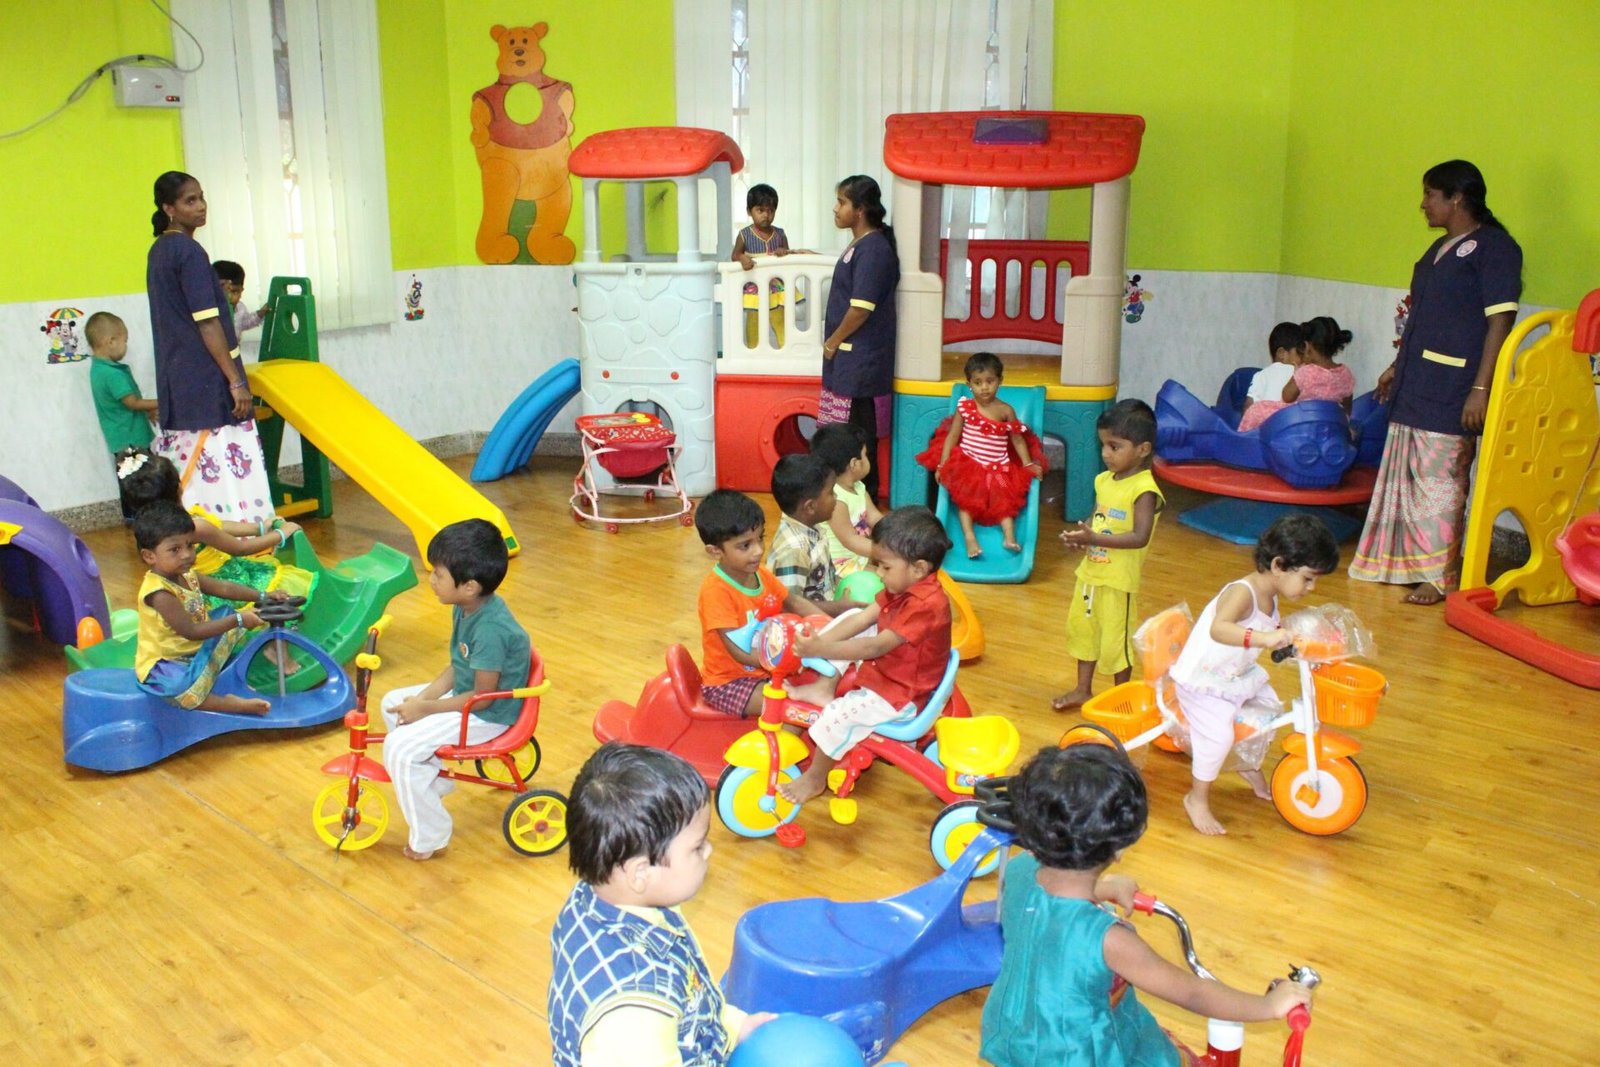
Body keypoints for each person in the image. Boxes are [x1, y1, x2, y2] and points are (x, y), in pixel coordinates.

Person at [979, 743, 1314, 1066]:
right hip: (1076, 1054)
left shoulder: (1020, 870)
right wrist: (1268, 1006)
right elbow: (1192, 994)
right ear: (1119, 848)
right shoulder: (1110, 940)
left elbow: (1052, 911)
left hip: (1016, 1031)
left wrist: (1103, 888)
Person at [1350, 160, 1523, 606]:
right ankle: (1401, 561)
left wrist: (1481, 389)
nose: (1423, 204)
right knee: (1409, 478)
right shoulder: (1438, 251)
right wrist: (1395, 366)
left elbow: (1500, 321)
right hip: (1417, 382)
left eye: (1430, 194)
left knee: (1441, 480)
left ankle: (1440, 573)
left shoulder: (1495, 248)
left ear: (1457, 198)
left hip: (1455, 387)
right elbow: (1423, 320)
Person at [548, 743, 774, 1066]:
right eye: (697, 847)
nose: (709, 851)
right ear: (641, 872)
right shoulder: (633, 1016)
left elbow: (694, 996)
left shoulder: (604, 897)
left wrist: (735, 1026)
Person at [1169, 513, 1340, 835]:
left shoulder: (1270, 593)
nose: (1311, 587)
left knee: (1270, 711)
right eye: (1307, 578)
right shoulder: (1242, 592)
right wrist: (1262, 639)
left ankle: (1247, 765)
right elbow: (1220, 629)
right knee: (1218, 736)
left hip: (1234, 674)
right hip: (1205, 681)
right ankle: (1197, 798)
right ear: (1278, 565)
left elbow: (1266, 629)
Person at [777, 506, 953, 806]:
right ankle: (823, 686)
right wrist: (817, 642)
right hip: (898, 670)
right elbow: (864, 618)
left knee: (838, 715)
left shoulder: (926, 604)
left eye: (884, 567)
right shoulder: (904, 586)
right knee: (857, 616)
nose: (878, 574)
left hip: (902, 695)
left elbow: (874, 648)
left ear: (919, 568)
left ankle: (815, 778)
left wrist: (820, 649)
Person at [378, 519, 530, 861]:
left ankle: (431, 835)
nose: (431, 580)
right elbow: (457, 667)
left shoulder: (489, 629)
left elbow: (479, 699)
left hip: (488, 713)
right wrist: (423, 700)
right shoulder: (468, 608)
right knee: (393, 703)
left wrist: (426, 709)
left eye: (439, 574)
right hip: (470, 694)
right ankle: (433, 778)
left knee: (398, 748)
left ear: (470, 586)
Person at [146, 171, 275, 524]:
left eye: (202, 197)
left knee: (191, 472)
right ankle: (244, 541)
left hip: (180, 380)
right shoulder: (188, 252)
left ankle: (196, 541)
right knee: (223, 465)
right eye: (190, 200)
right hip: (206, 380)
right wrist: (234, 381)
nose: (201, 206)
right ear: (168, 208)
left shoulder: (159, 250)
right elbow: (207, 322)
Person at [1054, 399, 1164, 711]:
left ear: (1142, 449)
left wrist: (1096, 537)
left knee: (1117, 642)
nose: (1105, 454)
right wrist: (1082, 538)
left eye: (1115, 447)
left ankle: (1122, 700)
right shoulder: (1104, 480)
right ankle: (1082, 690)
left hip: (1119, 582)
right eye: (1103, 445)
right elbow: (1096, 518)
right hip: (1090, 575)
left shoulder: (1144, 489)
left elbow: (1139, 537)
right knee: (1084, 632)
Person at [132, 499, 289, 715]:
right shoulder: (159, 593)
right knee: (180, 691)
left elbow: (223, 588)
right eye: (175, 549)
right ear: (149, 555)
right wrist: (240, 619)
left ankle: (215, 675)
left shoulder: (186, 574)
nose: (186, 554)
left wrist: (264, 596)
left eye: (190, 545)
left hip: (193, 651)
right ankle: (232, 705)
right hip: (166, 663)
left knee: (225, 613)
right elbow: (191, 631)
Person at [694, 489, 838, 717]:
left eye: (760, 538)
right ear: (714, 551)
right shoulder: (716, 592)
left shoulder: (761, 574)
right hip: (730, 683)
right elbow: (740, 652)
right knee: (793, 710)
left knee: (828, 678)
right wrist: (792, 658)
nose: (758, 551)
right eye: (745, 545)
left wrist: (830, 629)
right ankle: (780, 751)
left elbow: (795, 603)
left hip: (768, 670)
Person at [118, 447, 313, 612]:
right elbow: (240, 548)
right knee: (278, 583)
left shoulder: (156, 529)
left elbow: (218, 527)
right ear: (179, 488)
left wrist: (259, 527)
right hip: (219, 583)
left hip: (194, 584)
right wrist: (280, 534)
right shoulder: (192, 527)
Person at [916, 352, 1047, 558]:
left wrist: (1027, 463)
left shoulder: (1006, 411)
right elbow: (952, 436)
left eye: (989, 381)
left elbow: (1017, 439)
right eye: (978, 382)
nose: (984, 387)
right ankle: (969, 537)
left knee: (1004, 499)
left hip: (998, 468)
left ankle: (1009, 535)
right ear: (969, 384)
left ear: (1000, 381)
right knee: (967, 501)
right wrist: (942, 464)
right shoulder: (966, 408)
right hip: (969, 464)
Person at [817, 175, 899, 503]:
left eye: (842, 202)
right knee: (846, 436)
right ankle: (849, 501)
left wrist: (833, 341)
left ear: (860, 210)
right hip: (852, 360)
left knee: (859, 439)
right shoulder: (859, 246)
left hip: (862, 361)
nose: (835, 209)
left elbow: (861, 308)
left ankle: (866, 503)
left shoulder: (874, 249)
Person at [85, 311, 158, 519]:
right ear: (111, 341)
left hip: (122, 438)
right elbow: (132, 403)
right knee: (142, 480)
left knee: (129, 478)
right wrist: (163, 402)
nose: (126, 346)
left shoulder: (99, 369)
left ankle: (132, 516)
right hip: (130, 439)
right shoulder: (112, 373)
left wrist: (148, 409)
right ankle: (143, 517)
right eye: (125, 341)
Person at [766, 453, 855, 615]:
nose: (836, 497)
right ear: (810, 507)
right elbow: (789, 605)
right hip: (806, 629)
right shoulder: (794, 549)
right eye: (831, 492)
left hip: (823, 612)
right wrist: (837, 608)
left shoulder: (812, 527)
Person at [1237, 316, 1356, 432]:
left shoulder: (1306, 372)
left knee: (1256, 410)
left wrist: (1297, 373)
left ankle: (1244, 439)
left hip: (1302, 421)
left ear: (1307, 346)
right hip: (1329, 425)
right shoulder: (1346, 374)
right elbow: (1347, 407)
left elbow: (1286, 397)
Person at [810, 421, 883, 577]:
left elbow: (875, 517)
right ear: (854, 464)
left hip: (859, 556)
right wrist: (886, 552)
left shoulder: (858, 486)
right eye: (866, 455)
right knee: (887, 580)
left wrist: (898, 534)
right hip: (839, 565)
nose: (868, 459)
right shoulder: (835, 498)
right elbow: (849, 540)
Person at [731, 183, 794, 349]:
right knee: (754, 321)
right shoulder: (744, 235)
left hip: (775, 287)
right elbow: (735, 255)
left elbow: (789, 255)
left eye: (771, 210)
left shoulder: (779, 234)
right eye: (760, 210)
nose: (766, 215)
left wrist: (784, 252)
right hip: (755, 287)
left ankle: (785, 349)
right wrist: (742, 258)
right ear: (749, 211)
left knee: (779, 318)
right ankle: (753, 351)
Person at [1238, 321, 1304, 426]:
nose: (1304, 358)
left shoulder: (1260, 375)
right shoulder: (1301, 373)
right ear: (1281, 353)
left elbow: (1248, 409)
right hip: (1293, 431)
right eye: (1300, 353)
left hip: (1265, 433)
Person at [212, 260, 272, 336]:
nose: (229, 296)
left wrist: (260, 314)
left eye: (234, 291)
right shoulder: (210, 310)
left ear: (241, 291)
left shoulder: (240, 308)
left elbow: (244, 323)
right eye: (224, 290)